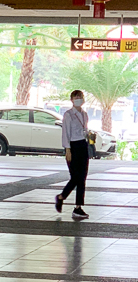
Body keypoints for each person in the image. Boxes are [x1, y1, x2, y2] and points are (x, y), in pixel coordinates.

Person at [55, 89, 90, 220]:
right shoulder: (68, 115)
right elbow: (66, 133)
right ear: (72, 100)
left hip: (83, 145)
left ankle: (78, 207)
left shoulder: (85, 114)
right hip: (73, 147)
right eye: (76, 97)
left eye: (80, 97)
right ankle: (61, 197)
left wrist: (89, 136)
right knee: (76, 177)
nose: (78, 99)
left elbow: (84, 130)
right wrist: (67, 150)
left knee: (82, 178)